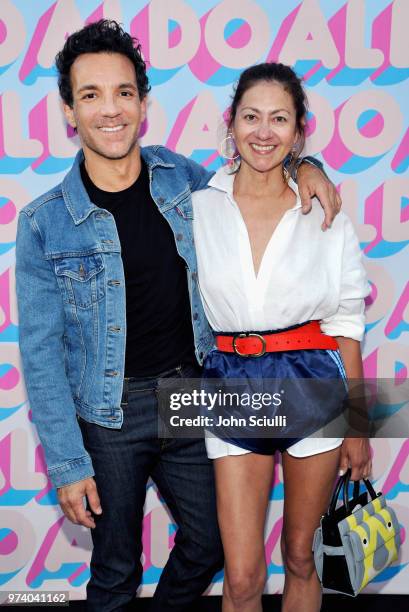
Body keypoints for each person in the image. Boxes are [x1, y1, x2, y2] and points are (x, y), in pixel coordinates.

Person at [15, 19, 342, 612]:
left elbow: (258, 164)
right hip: (108, 411)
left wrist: (306, 165)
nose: (109, 110)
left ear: (142, 103)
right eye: (90, 95)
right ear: (69, 112)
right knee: (115, 569)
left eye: (122, 93)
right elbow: (39, 352)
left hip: (196, 394)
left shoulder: (183, 180)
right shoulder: (43, 221)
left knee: (213, 543)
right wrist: (66, 462)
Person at [192, 63, 372, 612]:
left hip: (313, 381)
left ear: (299, 131)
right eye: (251, 116)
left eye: (279, 119)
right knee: (242, 575)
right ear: (231, 122)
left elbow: (346, 322)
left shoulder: (324, 209)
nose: (263, 132)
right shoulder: (198, 206)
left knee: (300, 556)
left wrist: (359, 427)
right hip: (230, 382)